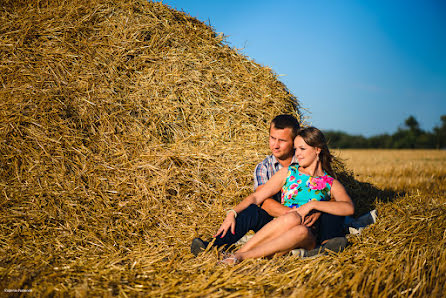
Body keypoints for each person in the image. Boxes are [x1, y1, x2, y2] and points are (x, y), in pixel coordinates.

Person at [191, 115, 346, 256]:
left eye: (282, 141)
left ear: (294, 142)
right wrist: (295, 214)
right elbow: (263, 201)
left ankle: (327, 245)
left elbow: (332, 194)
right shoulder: (264, 167)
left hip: (309, 225)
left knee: (333, 209)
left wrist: (317, 207)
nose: (275, 145)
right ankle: (213, 245)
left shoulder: (308, 160)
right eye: (272, 138)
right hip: (274, 223)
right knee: (252, 212)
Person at [219, 127, 354, 264]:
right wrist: (232, 213)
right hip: (284, 228)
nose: (298, 154)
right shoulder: (288, 172)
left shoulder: (330, 182)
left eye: (302, 149)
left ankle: (240, 256)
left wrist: (313, 205)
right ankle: (238, 255)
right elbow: (256, 197)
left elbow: (349, 208)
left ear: (317, 149)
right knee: (292, 218)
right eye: (296, 149)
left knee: (301, 230)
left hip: (308, 237)